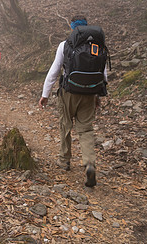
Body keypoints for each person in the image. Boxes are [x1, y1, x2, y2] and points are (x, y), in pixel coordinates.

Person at [39, 15, 107, 187]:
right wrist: (97, 95)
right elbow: (103, 75)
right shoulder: (97, 45)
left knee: (66, 125)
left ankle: (64, 161)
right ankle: (89, 163)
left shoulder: (65, 44)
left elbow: (54, 71)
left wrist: (45, 94)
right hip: (90, 93)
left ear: (72, 27)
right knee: (86, 129)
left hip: (69, 92)